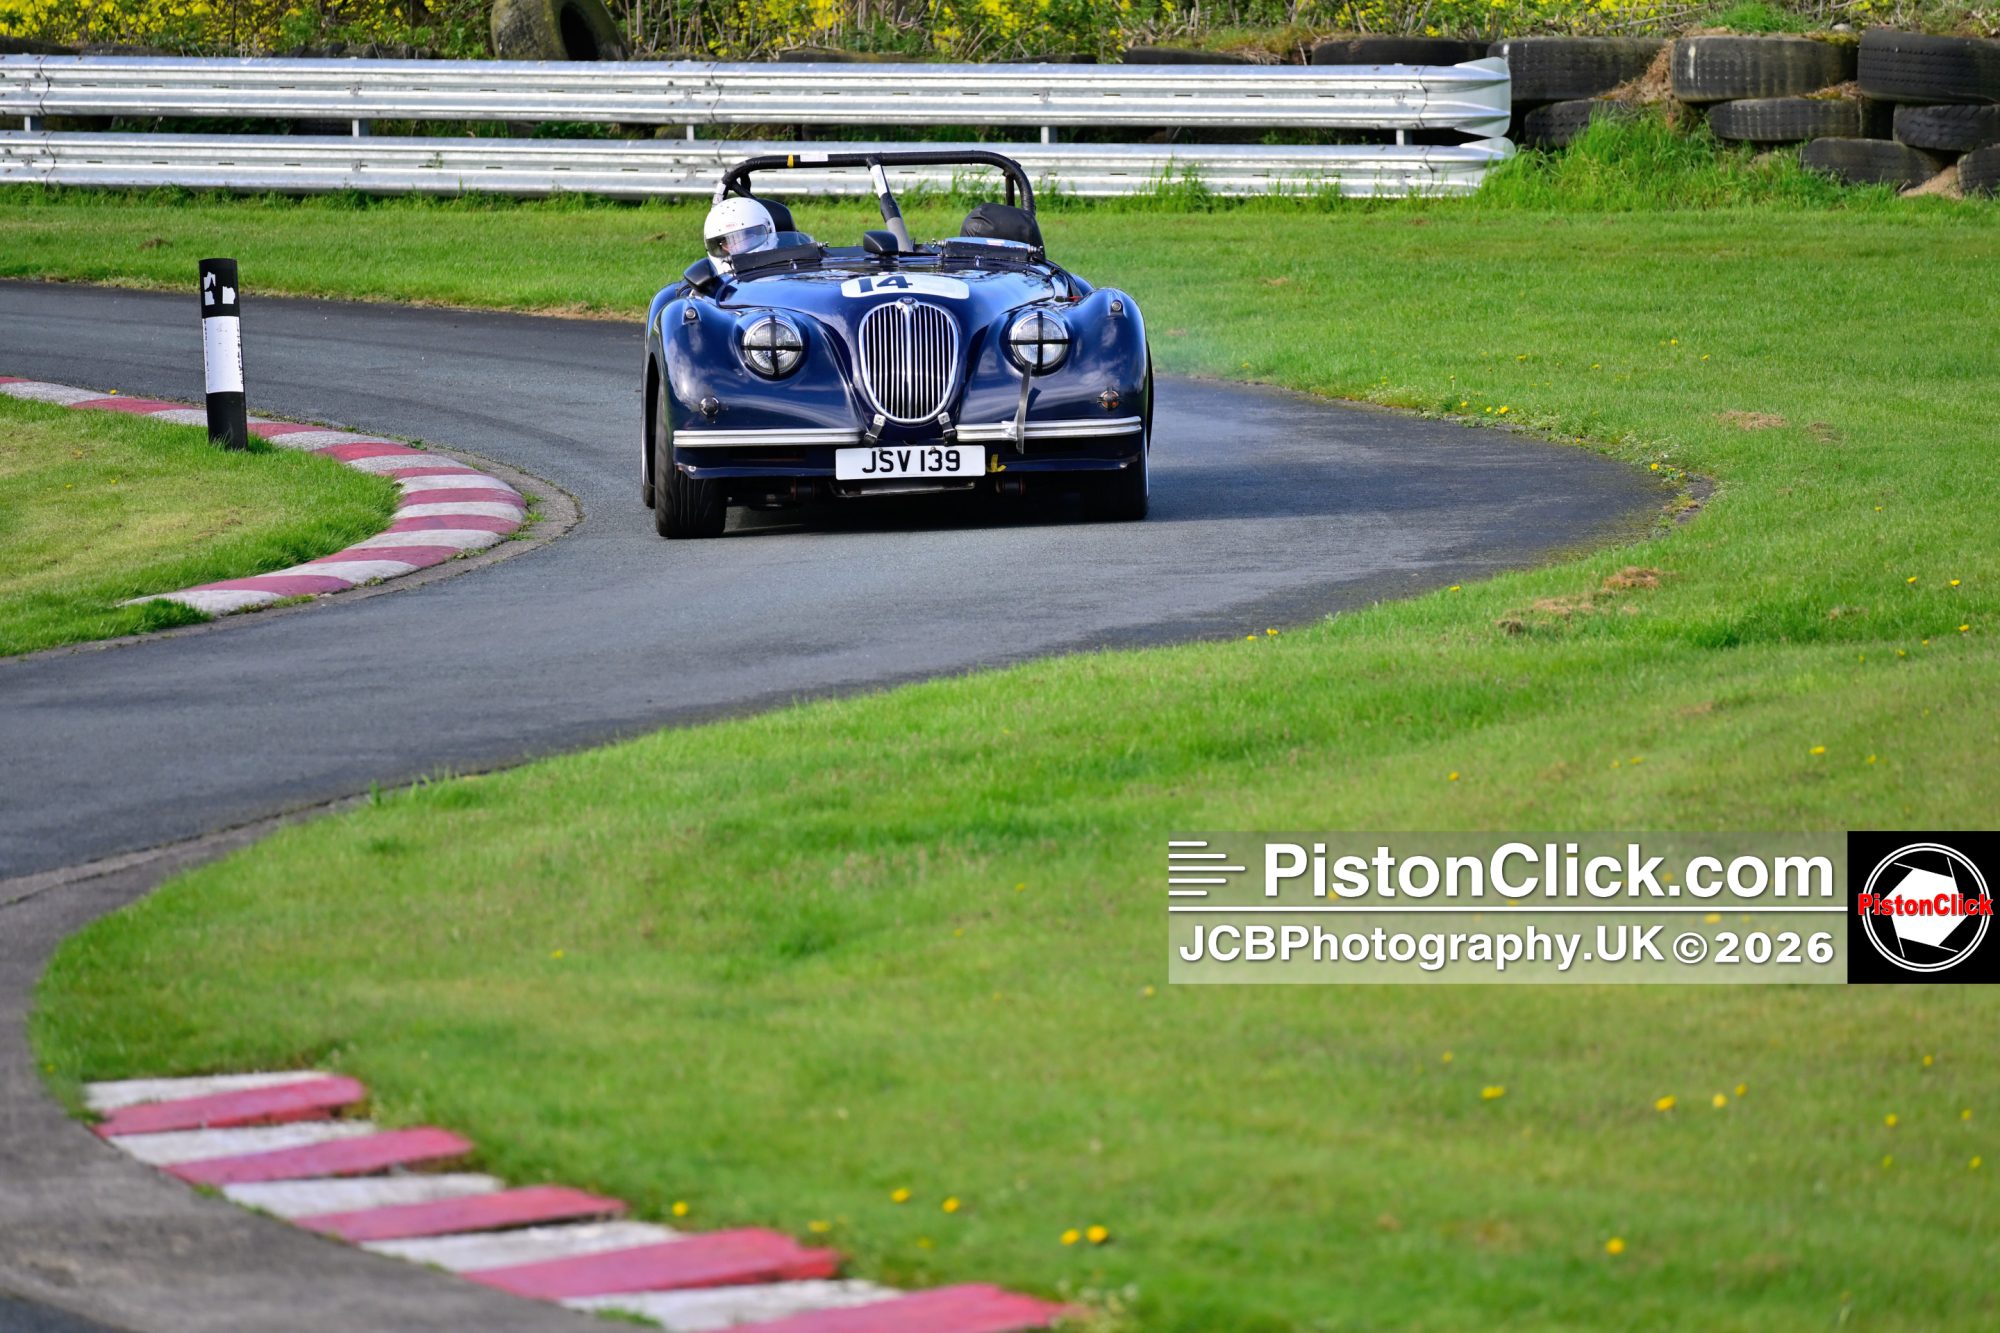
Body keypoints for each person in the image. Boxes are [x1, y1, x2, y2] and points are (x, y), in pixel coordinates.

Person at [704, 196, 776, 265]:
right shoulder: (716, 276)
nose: (736, 247)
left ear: (769, 229)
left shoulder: (786, 269)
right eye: (726, 242)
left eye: (745, 238)